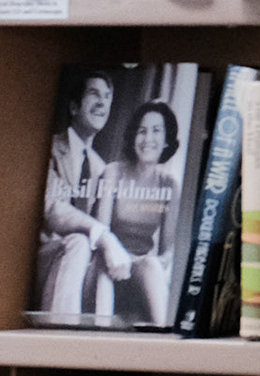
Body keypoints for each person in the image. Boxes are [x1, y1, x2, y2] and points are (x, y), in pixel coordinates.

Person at [38, 71, 131, 317]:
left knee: (102, 257)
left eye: (107, 97)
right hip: (40, 261)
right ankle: (61, 331)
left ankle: (102, 331)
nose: (102, 102)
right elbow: (53, 208)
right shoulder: (49, 148)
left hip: (80, 269)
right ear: (74, 107)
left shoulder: (102, 169)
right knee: (80, 243)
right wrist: (103, 235)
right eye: (94, 94)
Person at [89, 100, 182, 326]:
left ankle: (165, 336)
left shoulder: (169, 184)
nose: (148, 138)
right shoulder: (113, 172)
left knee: (152, 266)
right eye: (142, 131)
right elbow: (102, 233)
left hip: (139, 267)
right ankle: (100, 335)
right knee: (106, 267)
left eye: (156, 130)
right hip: (106, 260)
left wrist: (154, 265)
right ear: (133, 138)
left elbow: (168, 250)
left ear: (167, 139)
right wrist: (122, 259)